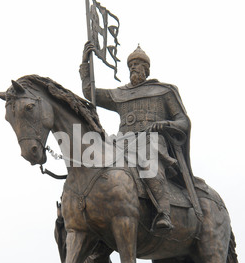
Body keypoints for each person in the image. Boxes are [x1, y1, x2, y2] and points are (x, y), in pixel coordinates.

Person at [80, 43, 193, 230]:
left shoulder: (164, 91)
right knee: (94, 162)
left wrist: (166, 124)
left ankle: (163, 212)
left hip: (151, 140)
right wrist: (85, 64)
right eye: (131, 65)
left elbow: (183, 121)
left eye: (138, 64)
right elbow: (90, 94)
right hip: (121, 143)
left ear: (146, 69)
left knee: (149, 162)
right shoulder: (120, 94)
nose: (133, 67)